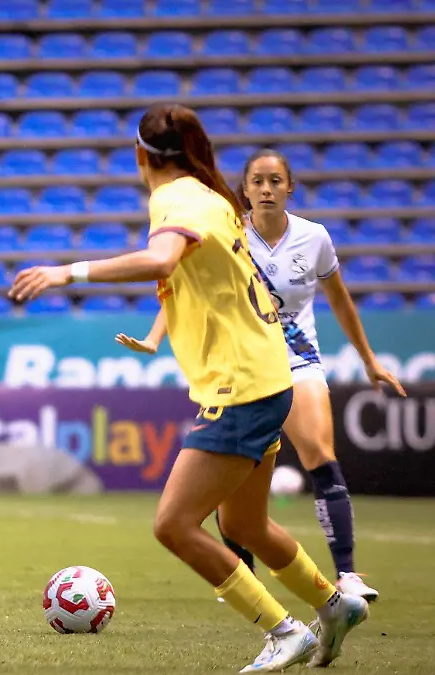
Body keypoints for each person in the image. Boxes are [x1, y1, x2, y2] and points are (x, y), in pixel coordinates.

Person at [9, 103, 368, 672]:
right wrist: (160, 331)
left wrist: (66, 272)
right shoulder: (216, 197)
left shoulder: (177, 199)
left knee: (173, 524)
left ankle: (284, 630)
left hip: (242, 388)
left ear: (140, 157)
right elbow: (188, 278)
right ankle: (333, 602)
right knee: (243, 525)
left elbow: (161, 257)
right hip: (270, 376)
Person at [115, 148, 406, 603]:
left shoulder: (315, 238)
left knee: (319, 453)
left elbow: (340, 299)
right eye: (257, 182)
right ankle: (244, 574)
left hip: (297, 359)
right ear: (245, 189)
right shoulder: (230, 230)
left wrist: (367, 358)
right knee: (231, 487)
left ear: (290, 187)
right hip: (244, 361)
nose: (266, 189)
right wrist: (155, 337)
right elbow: (187, 287)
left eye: (275, 181)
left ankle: (346, 574)